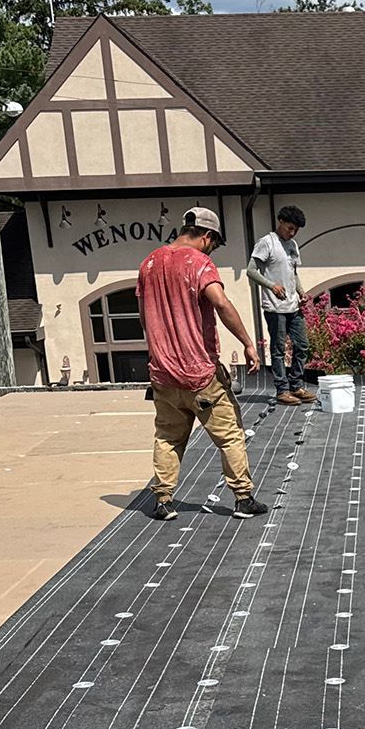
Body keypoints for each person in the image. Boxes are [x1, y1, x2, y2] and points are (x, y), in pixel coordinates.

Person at [136, 206, 266, 522]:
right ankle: (243, 499)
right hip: (200, 374)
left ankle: (163, 501)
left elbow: (143, 317)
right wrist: (248, 344)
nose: (212, 250)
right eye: (214, 244)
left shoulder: (149, 264)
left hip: (163, 375)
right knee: (230, 435)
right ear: (207, 236)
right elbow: (221, 303)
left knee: (168, 438)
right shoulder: (199, 263)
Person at [249, 205, 314, 405]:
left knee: (302, 345)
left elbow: (293, 273)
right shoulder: (267, 243)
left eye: (296, 230)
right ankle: (282, 390)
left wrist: (301, 292)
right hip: (274, 307)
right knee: (278, 349)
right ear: (281, 222)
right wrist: (271, 285)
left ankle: (296, 385)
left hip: (293, 305)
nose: (292, 233)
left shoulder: (292, 245)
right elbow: (251, 271)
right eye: (290, 228)